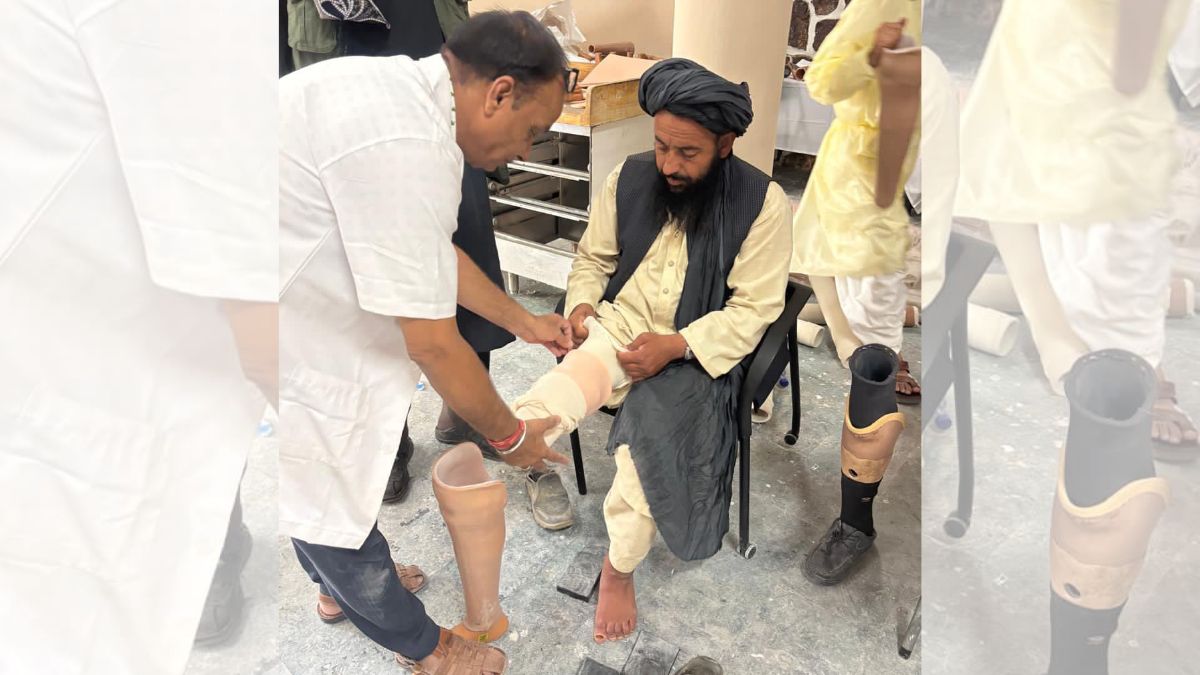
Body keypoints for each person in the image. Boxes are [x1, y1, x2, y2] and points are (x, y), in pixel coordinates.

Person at [279, 11, 574, 672]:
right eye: (531, 132)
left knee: (331, 454)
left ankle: (338, 590)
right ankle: (425, 647)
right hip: (247, 292)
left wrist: (522, 320)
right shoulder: (409, 144)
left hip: (275, 265)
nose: (526, 152)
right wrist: (511, 437)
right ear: (498, 92)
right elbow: (436, 347)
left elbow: (426, 251)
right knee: (329, 458)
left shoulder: (408, 98)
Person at [508, 58, 792, 643]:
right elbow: (594, 260)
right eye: (662, 145)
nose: (669, 164)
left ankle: (619, 569)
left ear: (726, 144)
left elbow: (755, 308)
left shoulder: (762, 204)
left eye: (687, 152)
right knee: (566, 386)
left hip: (697, 347)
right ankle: (525, 442)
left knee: (648, 452)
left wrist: (678, 346)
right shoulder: (631, 177)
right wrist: (584, 306)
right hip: (622, 323)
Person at [789, 0, 923, 403]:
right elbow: (821, 81)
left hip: (906, 150)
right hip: (859, 159)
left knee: (836, 249)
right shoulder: (879, 5)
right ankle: (878, 357)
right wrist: (872, 54)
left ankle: (861, 339)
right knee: (871, 259)